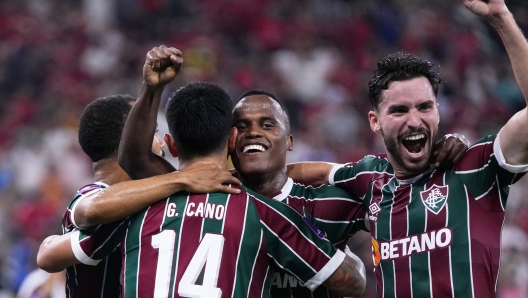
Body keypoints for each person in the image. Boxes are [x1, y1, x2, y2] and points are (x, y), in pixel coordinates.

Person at [287, 0, 528, 297]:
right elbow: (318, 172)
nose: (415, 121)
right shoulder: (371, 177)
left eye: (425, 107)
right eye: (400, 110)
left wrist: (502, 19)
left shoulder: (475, 167)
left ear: (438, 112)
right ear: (375, 121)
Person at [74, 76, 367, 296]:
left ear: (172, 145)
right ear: (230, 141)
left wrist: (151, 87)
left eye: (267, 125)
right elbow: (348, 281)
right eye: (243, 127)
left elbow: (53, 249)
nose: (253, 132)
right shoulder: (265, 214)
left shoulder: (135, 206)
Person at [36, 95, 241, 297]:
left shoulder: (164, 202)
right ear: (130, 141)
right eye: (154, 134)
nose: (161, 144)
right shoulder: (90, 196)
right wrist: (182, 178)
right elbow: (87, 212)